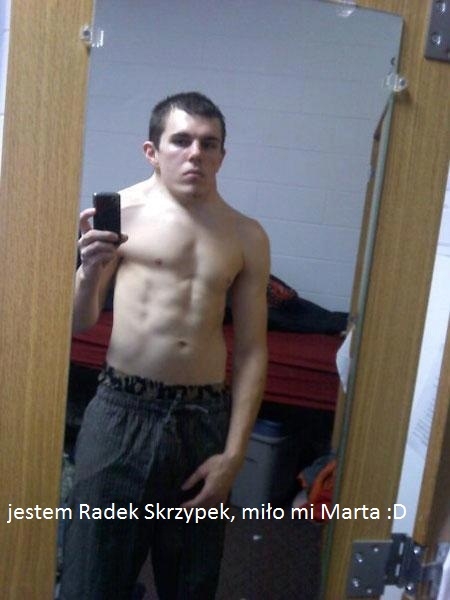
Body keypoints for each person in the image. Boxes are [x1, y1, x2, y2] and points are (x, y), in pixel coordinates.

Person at [60, 91, 270, 600]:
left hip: (202, 422)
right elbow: (79, 322)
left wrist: (234, 454)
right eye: (181, 140)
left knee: (191, 581)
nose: (195, 153)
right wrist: (87, 273)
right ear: (152, 151)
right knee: (93, 576)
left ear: (222, 155)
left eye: (208, 143)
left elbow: (251, 350)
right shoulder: (121, 215)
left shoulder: (247, 236)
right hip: (121, 411)